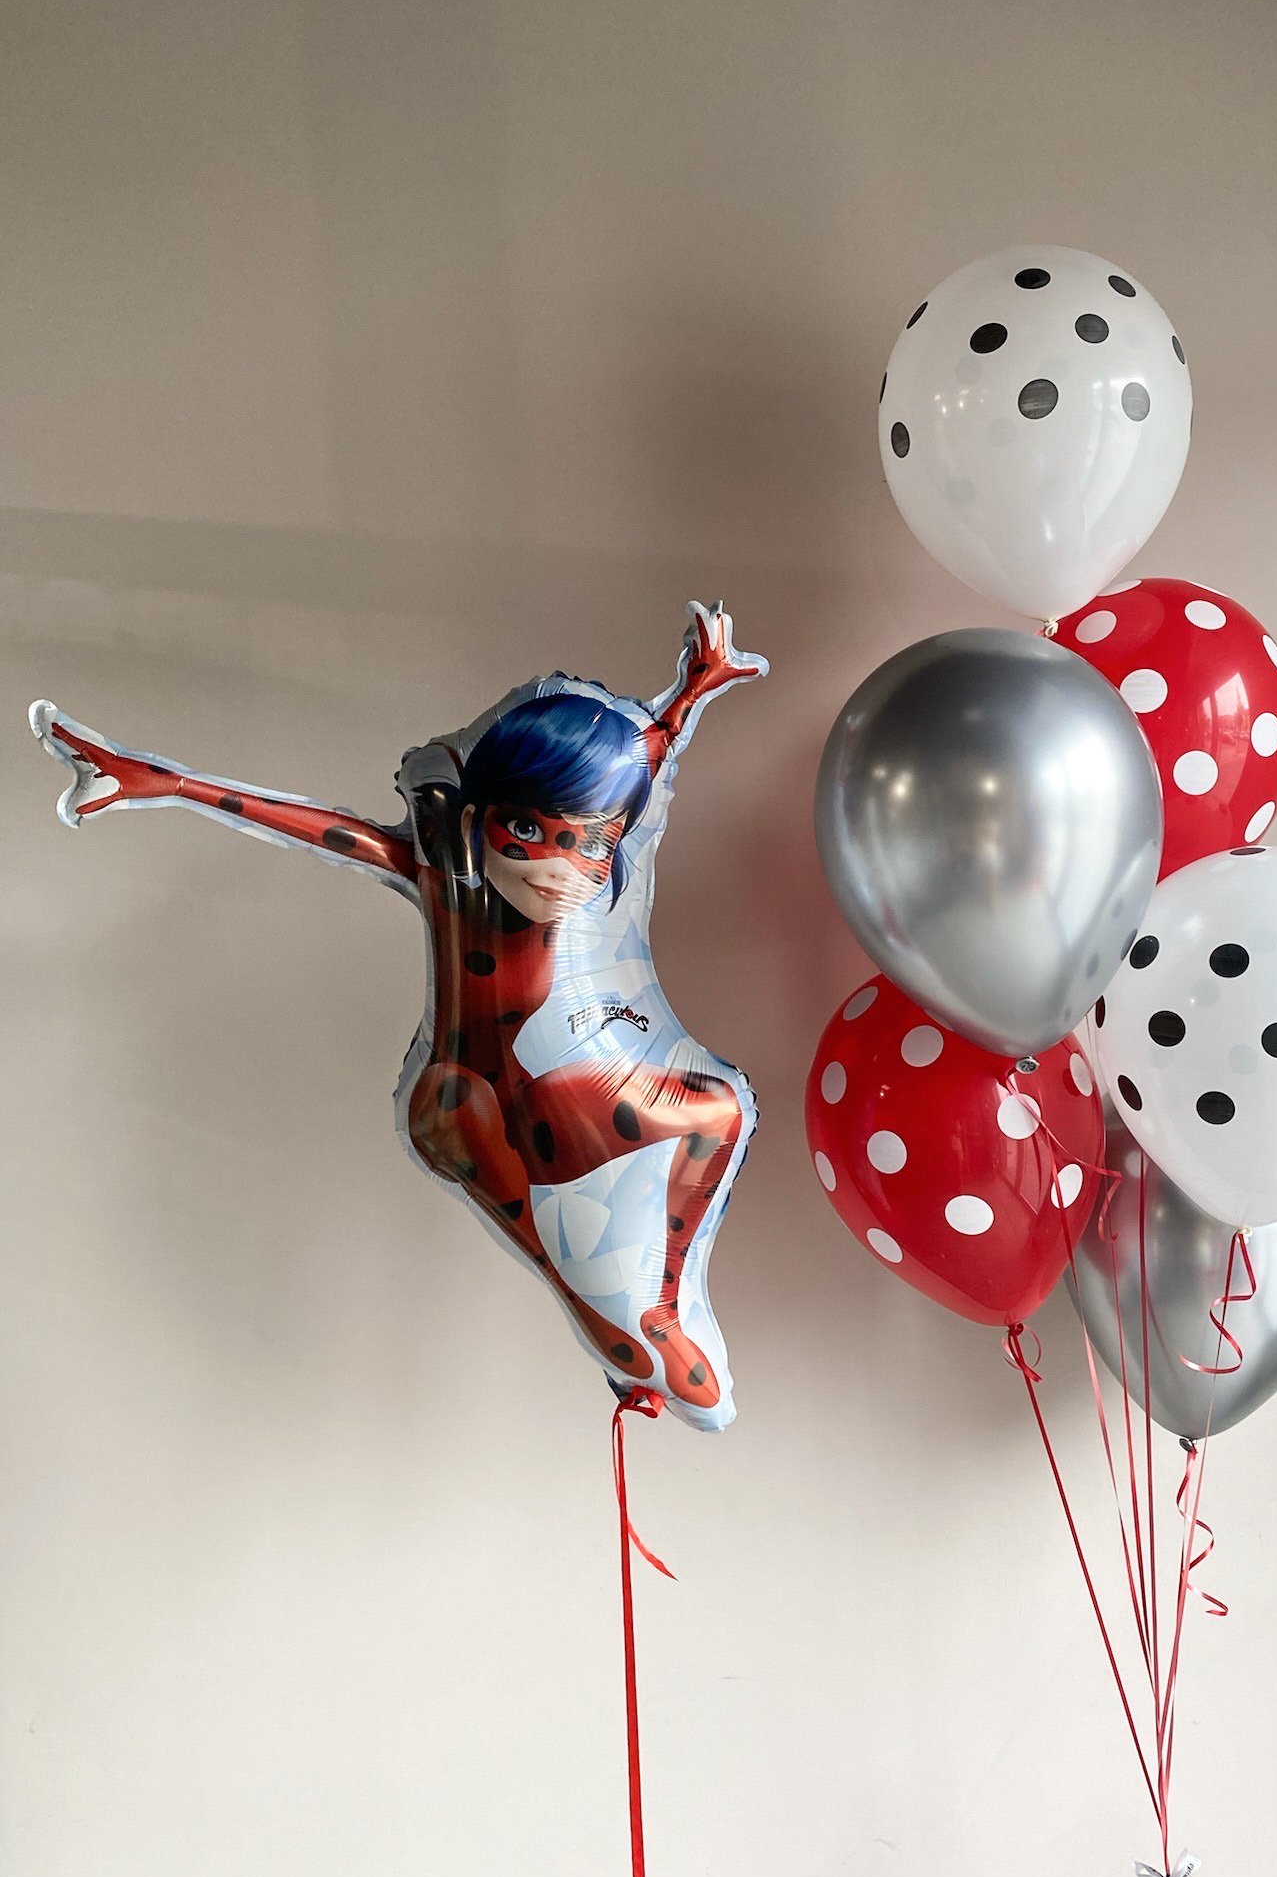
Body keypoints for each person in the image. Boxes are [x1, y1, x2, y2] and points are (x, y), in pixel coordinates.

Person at [32, 602, 766, 1423]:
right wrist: (170, 784)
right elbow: (327, 833)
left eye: (588, 845)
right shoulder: (447, 879)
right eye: (529, 832)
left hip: (530, 1094)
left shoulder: (546, 867)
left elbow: (647, 752)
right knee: (593, 1211)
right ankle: (619, 1313)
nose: (560, 870)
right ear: (481, 818)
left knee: (718, 1114)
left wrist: (692, 688)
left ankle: (645, 1304)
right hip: (467, 1101)